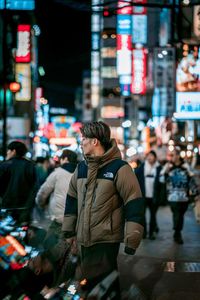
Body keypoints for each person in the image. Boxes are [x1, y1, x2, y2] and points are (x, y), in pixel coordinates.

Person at [62, 121, 145, 293]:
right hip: (83, 240)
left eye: (84, 138)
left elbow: (134, 201)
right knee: (87, 286)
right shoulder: (82, 168)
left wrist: (132, 238)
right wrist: (69, 232)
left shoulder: (119, 168)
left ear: (95, 141)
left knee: (105, 286)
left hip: (106, 240)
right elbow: (71, 199)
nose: (81, 142)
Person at [35, 149, 77, 248]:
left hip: (59, 220)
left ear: (65, 159)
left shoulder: (57, 173)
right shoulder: (81, 173)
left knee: (48, 247)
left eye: (61, 159)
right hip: (76, 220)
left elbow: (43, 192)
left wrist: (41, 204)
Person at [160, 146, 198, 244]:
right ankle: (177, 233)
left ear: (178, 155)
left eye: (175, 154)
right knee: (176, 214)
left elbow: (192, 179)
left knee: (180, 215)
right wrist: (166, 173)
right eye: (172, 155)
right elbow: (161, 179)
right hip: (172, 196)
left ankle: (177, 232)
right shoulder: (168, 166)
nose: (173, 157)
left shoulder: (185, 166)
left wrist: (195, 193)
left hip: (184, 197)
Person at [0, 140, 37, 224]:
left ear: (13, 151)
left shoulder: (4, 165)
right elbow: (34, 186)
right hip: (25, 206)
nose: (7, 153)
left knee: (8, 231)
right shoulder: (30, 165)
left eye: (8, 150)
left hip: (7, 206)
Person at [135, 150, 162, 240]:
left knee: (153, 216)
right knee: (142, 216)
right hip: (143, 196)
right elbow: (135, 177)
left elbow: (162, 182)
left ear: (155, 157)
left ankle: (151, 233)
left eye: (152, 156)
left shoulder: (158, 168)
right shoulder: (142, 167)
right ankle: (144, 233)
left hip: (154, 196)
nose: (150, 157)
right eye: (148, 156)